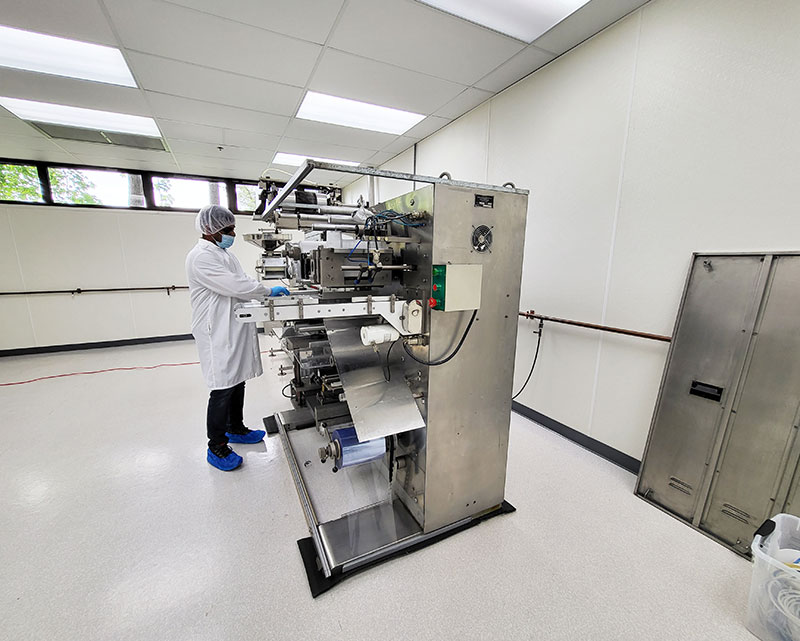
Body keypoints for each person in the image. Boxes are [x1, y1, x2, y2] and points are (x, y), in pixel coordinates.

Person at [186, 205, 289, 471]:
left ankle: (235, 428)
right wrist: (267, 291)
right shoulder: (201, 257)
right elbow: (235, 286)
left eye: (232, 229)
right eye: (228, 230)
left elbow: (241, 281)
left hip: (233, 326)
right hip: (216, 331)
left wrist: (261, 294)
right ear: (210, 230)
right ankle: (216, 446)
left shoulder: (225, 255)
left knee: (237, 380)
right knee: (222, 387)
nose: (232, 234)